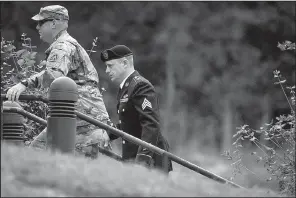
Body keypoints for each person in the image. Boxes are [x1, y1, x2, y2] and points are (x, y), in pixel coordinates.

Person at [6, 5, 111, 158]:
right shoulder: (65, 44)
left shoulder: (63, 46)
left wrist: (23, 84)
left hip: (83, 125)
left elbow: (53, 75)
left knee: (41, 160)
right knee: (36, 156)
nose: (37, 27)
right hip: (76, 121)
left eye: (41, 23)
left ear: (54, 23)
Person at [100, 45, 173, 173]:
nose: (107, 70)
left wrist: (142, 161)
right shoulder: (126, 88)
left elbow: (150, 125)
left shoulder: (140, 85)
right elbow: (130, 124)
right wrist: (109, 133)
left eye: (110, 66)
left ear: (124, 63)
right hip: (134, 159)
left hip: (151, 162)